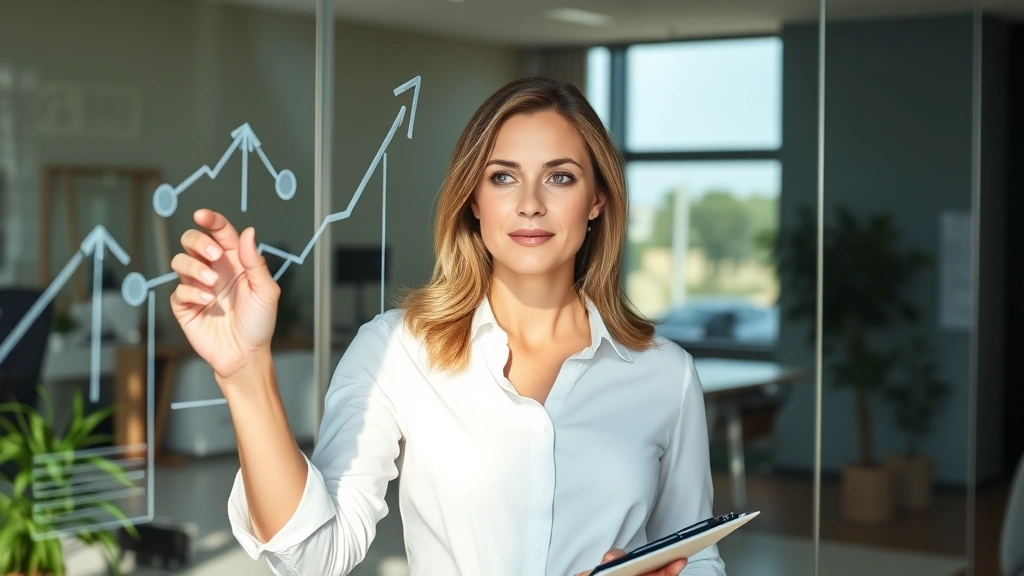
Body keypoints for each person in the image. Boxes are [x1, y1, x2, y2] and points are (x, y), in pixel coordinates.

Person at [168, 76, 726, 576]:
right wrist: (246, 373)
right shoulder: (396, 349)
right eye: (503, 177)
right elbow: (316, 556)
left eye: (560, 177)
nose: (530, 204)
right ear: (474, 200)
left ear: (597, 200)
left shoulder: (664, 374)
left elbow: (698, 558)